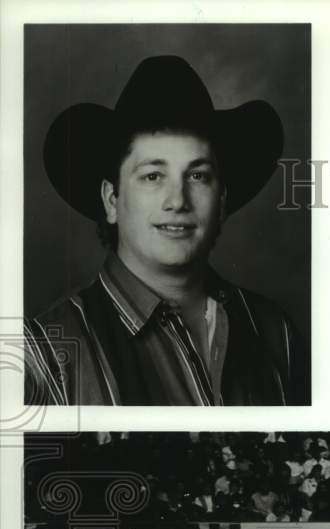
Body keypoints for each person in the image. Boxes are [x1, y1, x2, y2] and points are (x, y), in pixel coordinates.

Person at [25, 55, 300, 405]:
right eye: (153, 176)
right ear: (112, 199)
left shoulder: (275, 332)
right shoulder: (45, 356)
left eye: (197, 175)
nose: (178, 200)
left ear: (223, 200)